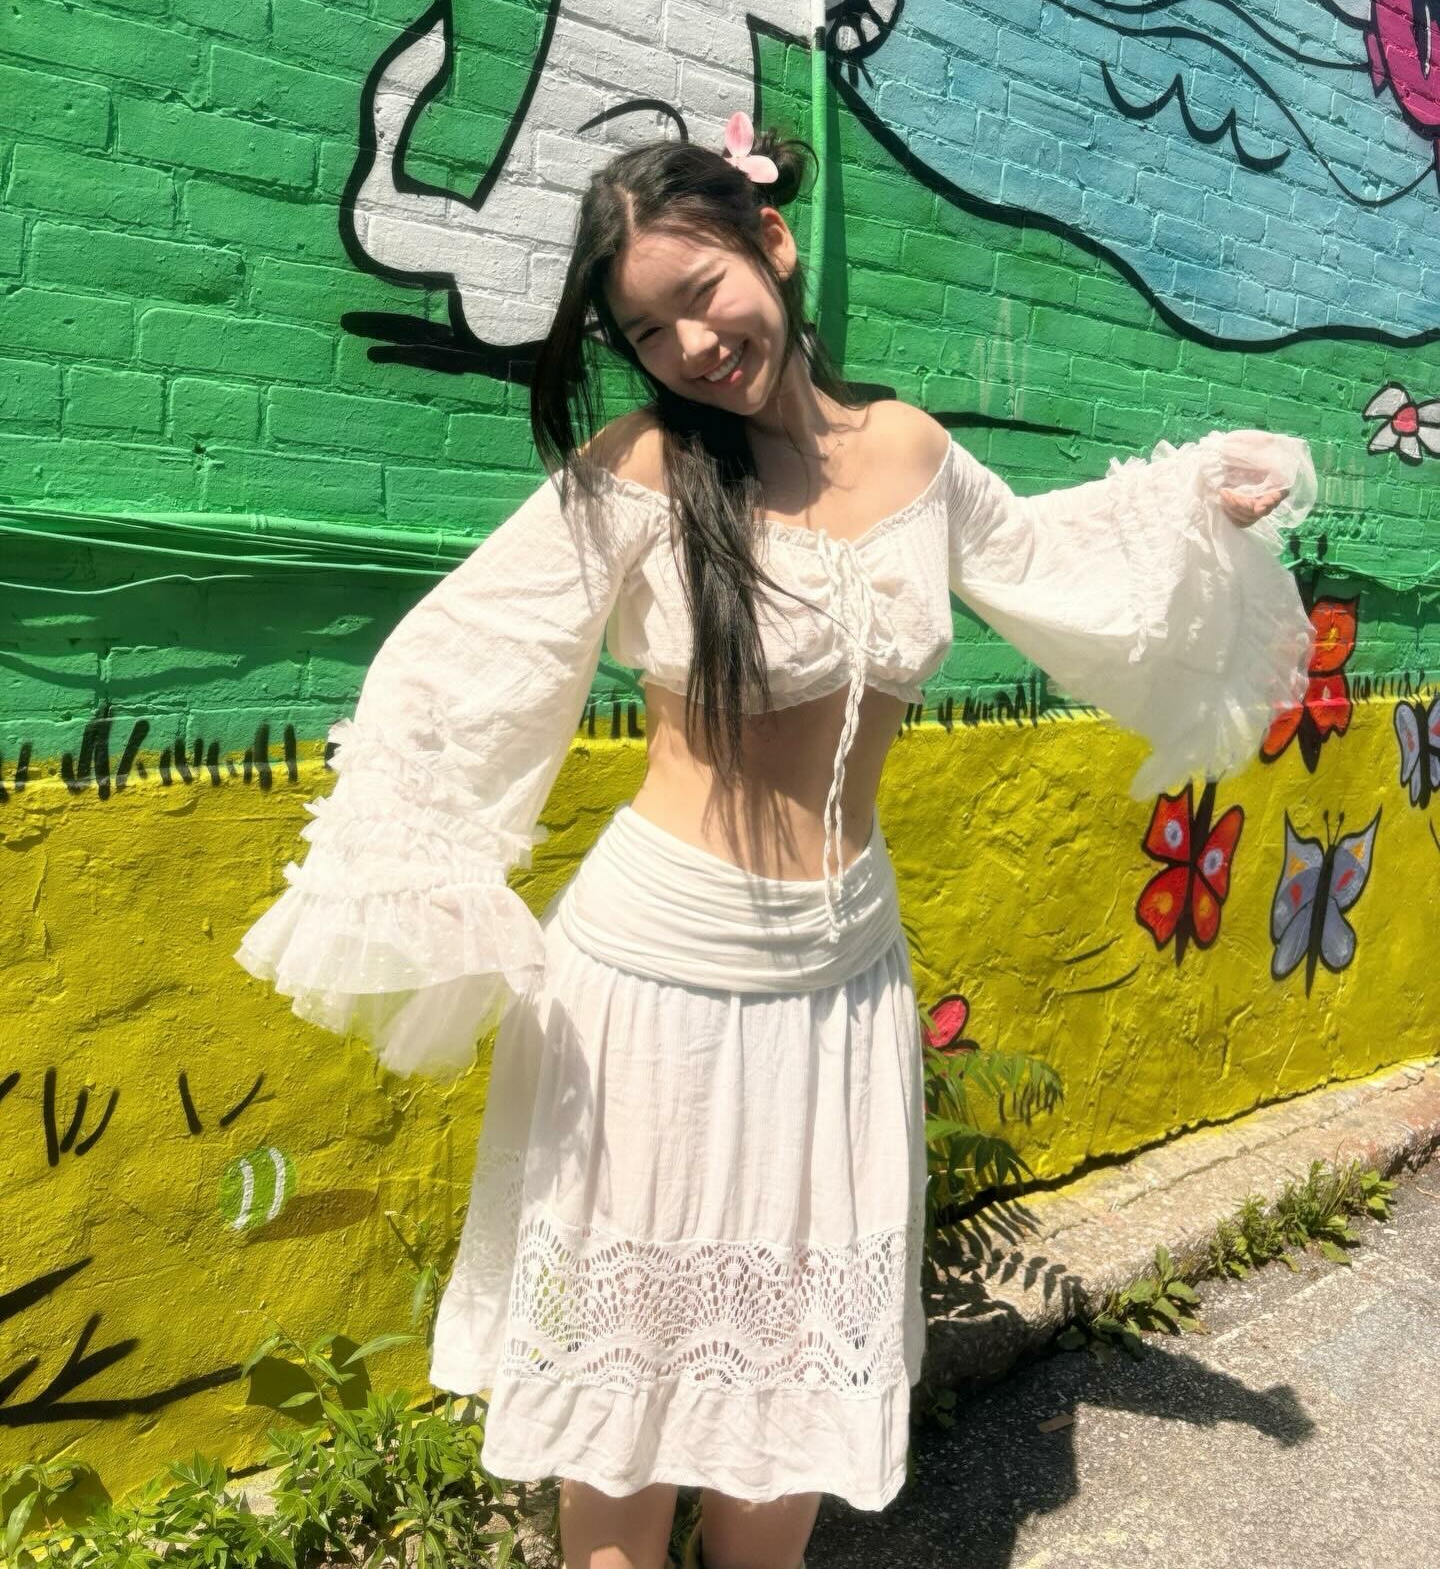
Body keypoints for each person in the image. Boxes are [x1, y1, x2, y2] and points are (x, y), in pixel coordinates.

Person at [233, 113, 1318, 1569]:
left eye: (702, 293)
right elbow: (464, 658)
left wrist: (1197, 509)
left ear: (773, 246)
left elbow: (1052, 560)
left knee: (789, 1410)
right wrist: (420, 871)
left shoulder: (914, 454)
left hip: (843, 987)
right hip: (652, 988)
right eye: (647, 329)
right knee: (620, 1427)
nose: (690, 344)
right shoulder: (641, 470)